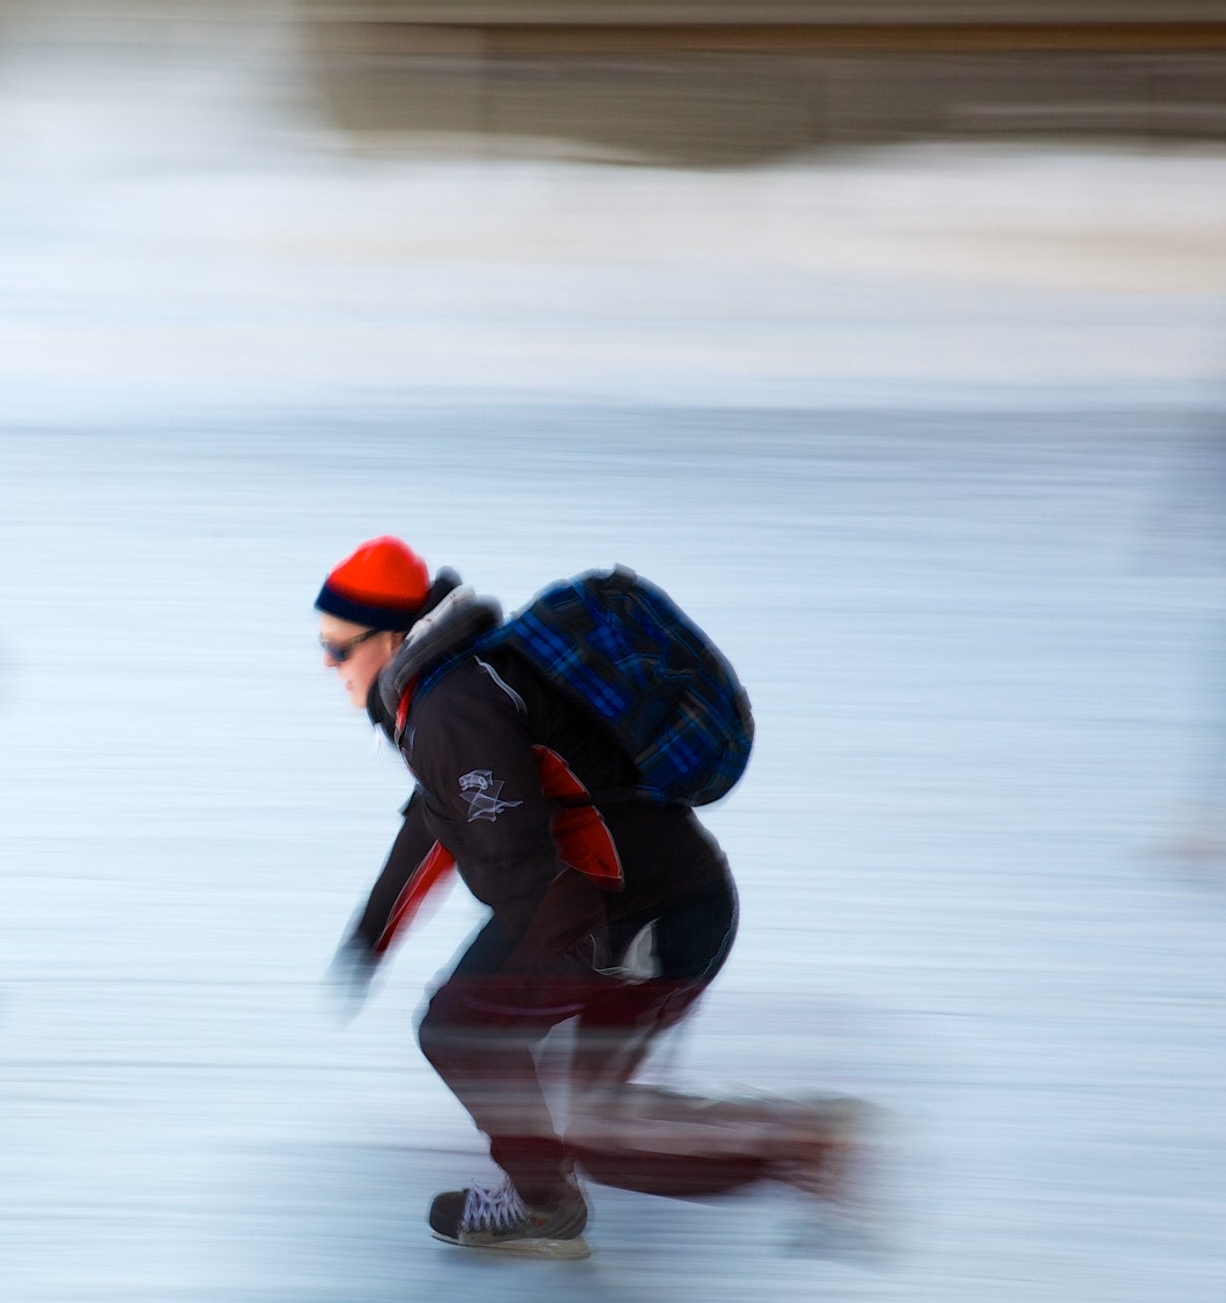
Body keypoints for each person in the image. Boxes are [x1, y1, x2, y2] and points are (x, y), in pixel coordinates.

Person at [318, 537, 853, 1255]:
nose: (329, 668)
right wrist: (373, 933)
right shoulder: (448, 690)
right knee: (489, 1043)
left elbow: (522, 860)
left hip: (649, 920)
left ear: (388, 638)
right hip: (630, 902)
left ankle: (796, 1148)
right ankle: (549, 1196)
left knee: (571, 1109)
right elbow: (439, 820)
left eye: (338, 649)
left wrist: (546, 985)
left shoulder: (453, 706)